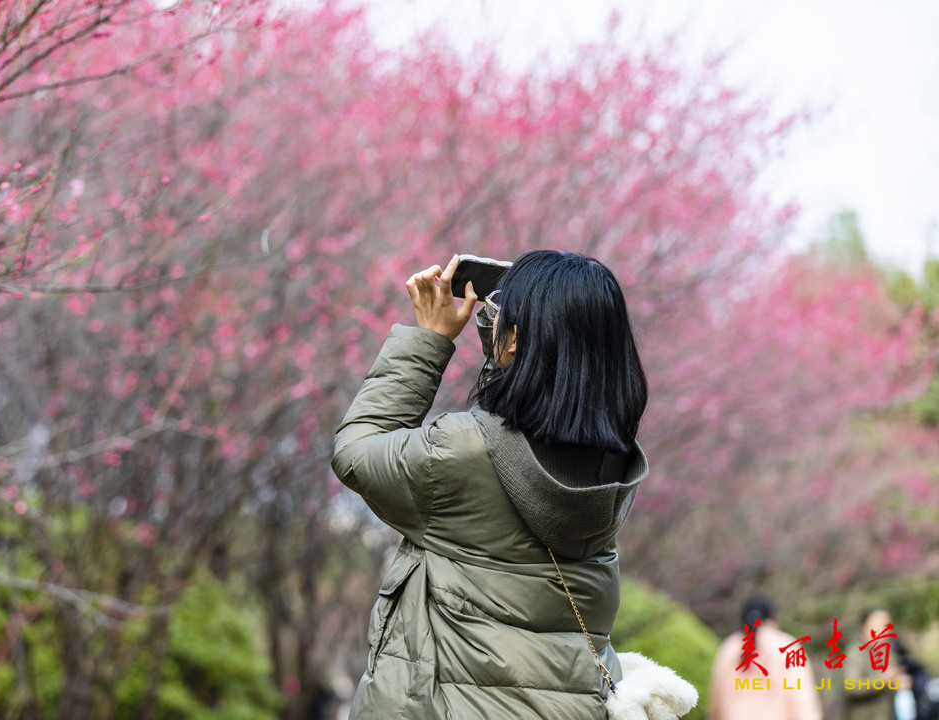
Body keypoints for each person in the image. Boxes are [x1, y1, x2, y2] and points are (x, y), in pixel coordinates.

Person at [331, 251, 650, 718]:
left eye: (498, 318)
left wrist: (430, 338)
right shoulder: (615, 465)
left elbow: (356, 450)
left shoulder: (462, 452)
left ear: (515, 337)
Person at [707, 595, 822, 720]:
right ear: (773, 618)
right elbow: (803, 703)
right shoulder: (788, 647)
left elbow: (716, 706)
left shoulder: (729, 648)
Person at [844, 608, 903, 720]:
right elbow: (851, 686)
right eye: (880, 624)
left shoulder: (886, 649)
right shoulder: (855, 651)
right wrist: (882, 679)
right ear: (866, 625)